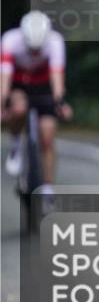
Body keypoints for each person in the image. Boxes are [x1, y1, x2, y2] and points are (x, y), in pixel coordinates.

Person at [1, 11, 73, 194]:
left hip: (43, 86)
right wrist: (2, 105)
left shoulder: (55, 41)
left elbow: (57, 76)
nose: (34, 53)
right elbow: (5, 78)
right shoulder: (10, 40)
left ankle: (48, 186)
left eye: (38, 49)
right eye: (31, 49)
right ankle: (16, 142)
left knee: (47, 136)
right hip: (19, 84)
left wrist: (60, 102)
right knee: (18, 108)